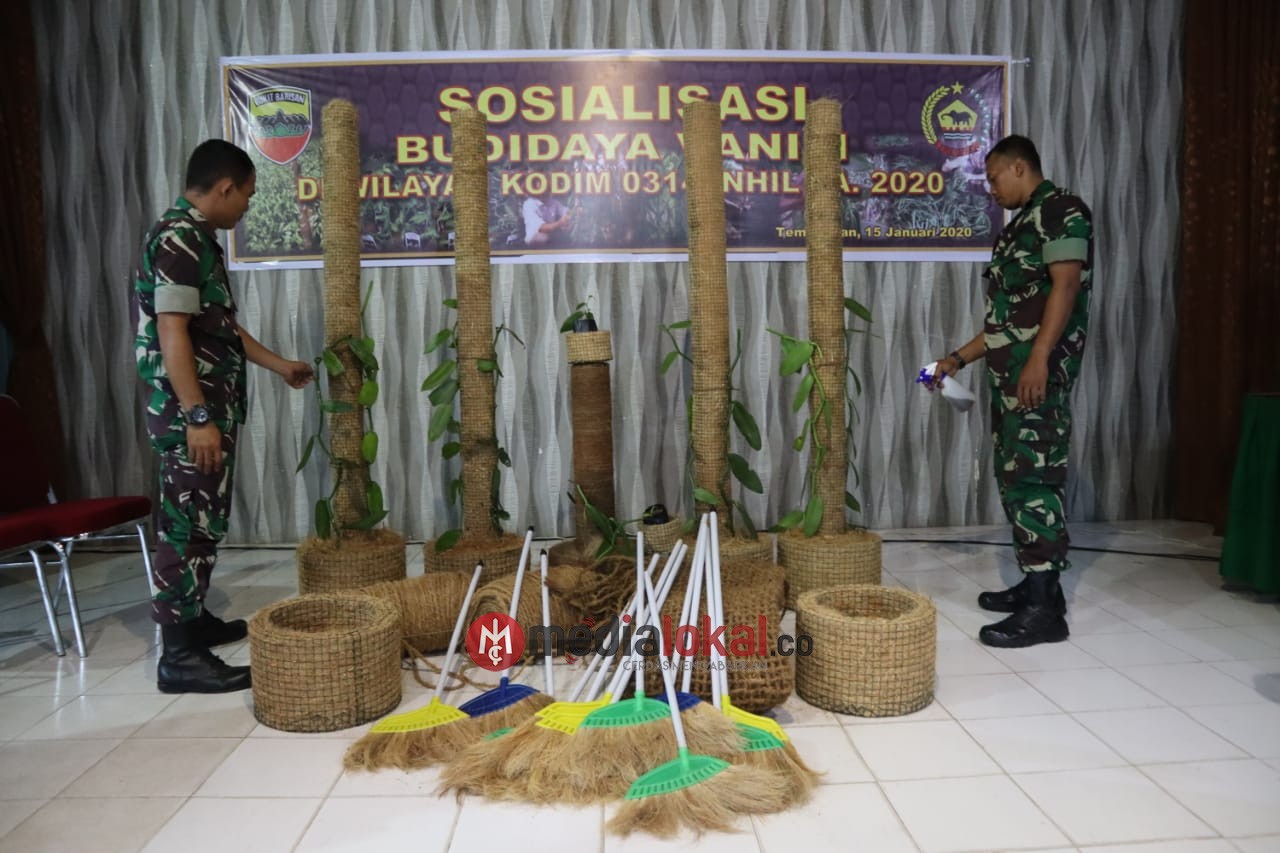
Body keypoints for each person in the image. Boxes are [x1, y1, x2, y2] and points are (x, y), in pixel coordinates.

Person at [133, 139, 313, 692]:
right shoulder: (180, 240)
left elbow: (220, 329)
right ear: (225, 187)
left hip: (206, 407)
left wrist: (279, 365)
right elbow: (172, 331)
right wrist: (196, 416)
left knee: (204, 521)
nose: (247, 208)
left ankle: (194, 620)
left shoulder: (198, 240)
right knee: (186, 527)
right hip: (191, 413)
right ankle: (178, 657)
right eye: (248, 197)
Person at [929, 134, 1093, 648]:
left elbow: (1065, 287)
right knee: (1016, 476)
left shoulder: (1062, 211)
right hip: (1010, 376)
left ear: (1019, 168)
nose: (990, 188)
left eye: (995, 177)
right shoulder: (1020, 225)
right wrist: (954, 359)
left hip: (1034, 376)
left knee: (1034, 479)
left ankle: (1045, 612)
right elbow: (1006, 322)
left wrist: (1040, 358)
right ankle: (1038, 585)